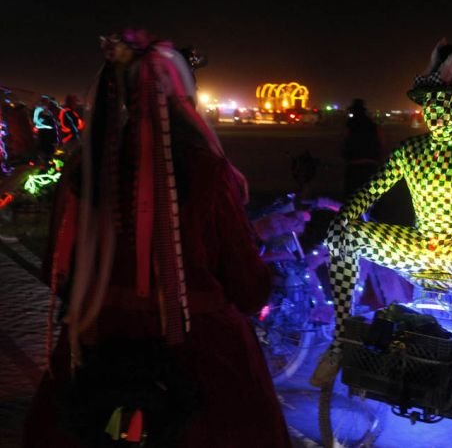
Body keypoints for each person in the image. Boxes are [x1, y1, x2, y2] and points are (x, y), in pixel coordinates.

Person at [23, 29, 291, 447]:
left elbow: (56, 274)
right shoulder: (207, 172)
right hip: (198, 354)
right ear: (181, 97)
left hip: (98, 347)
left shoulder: (83, 171)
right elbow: (248, 287)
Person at [311, 38, 452, 415]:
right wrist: (342, 221)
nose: (436, 113)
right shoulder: (410, 151)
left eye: (444, 105)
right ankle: (340, 342)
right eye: (430, 106)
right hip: (421, 246)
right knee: (343, 235)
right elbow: (371, 189)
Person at [342, 98, 384, 198]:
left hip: (354, 164)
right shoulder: (373, 125)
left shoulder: (349, 124)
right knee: (369, 195)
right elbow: (382, 142)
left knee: (351, 196)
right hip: (371, 163)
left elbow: (343, 141)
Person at [33, 95, 59, 163]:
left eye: (47, 101)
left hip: (50, 135)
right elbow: (36, 122)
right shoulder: (39, 110)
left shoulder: (48, 111)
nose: (47, 103)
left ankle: (49, 163)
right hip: (44, 135)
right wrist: (47, 126)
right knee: (46, 151)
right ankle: (46, 164)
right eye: (45, 101)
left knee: (50, 150)